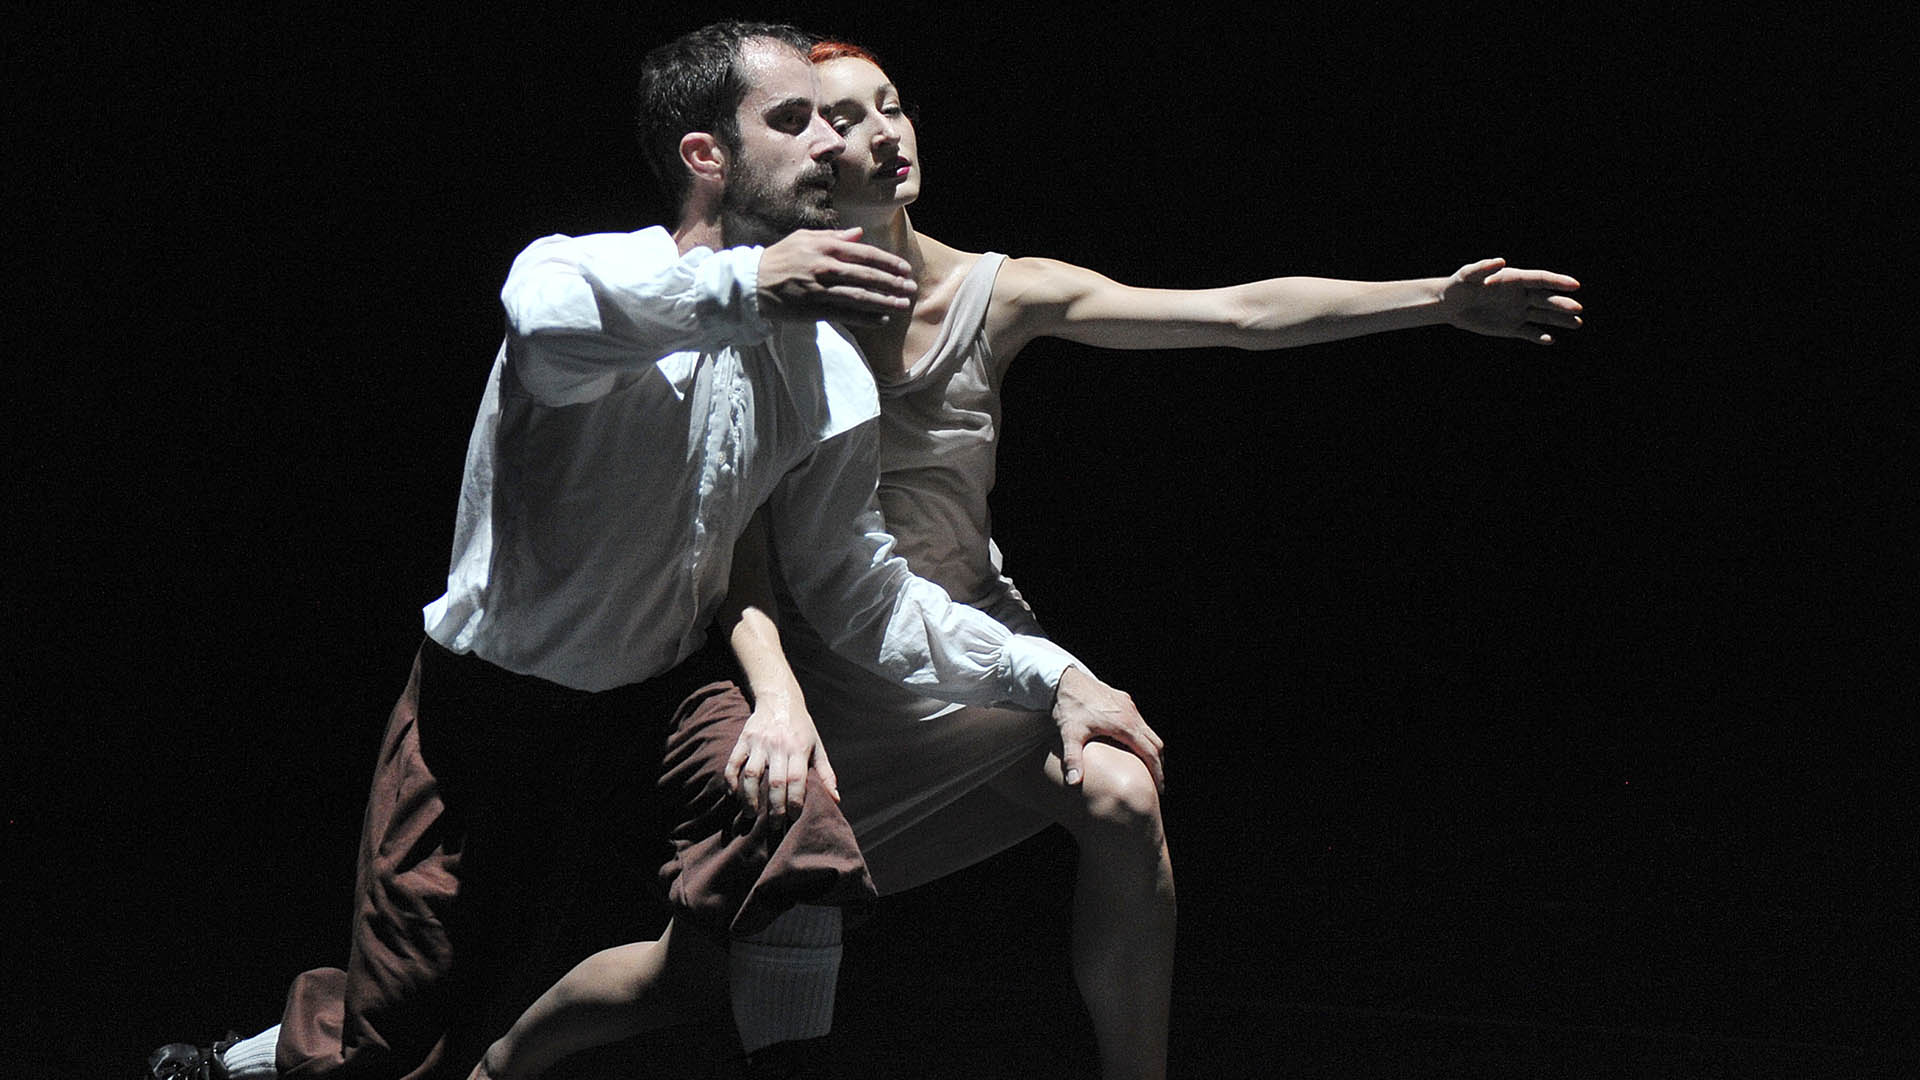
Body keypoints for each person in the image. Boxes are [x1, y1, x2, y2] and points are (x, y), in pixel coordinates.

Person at [463, 38, 1584, 1080]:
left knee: (1122, 795)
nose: (882, 134)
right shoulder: (772, 321)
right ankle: (497, 1063)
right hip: (834, 677)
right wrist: (776, 699)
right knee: (695, 972)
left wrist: (1435, 302)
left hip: (977, 639)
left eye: (892, 105)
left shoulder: (996, 293)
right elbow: (739, 556)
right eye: (840, 120)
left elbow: (1236, 313)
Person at [150, 22, 1164, 1080]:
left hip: (668, 701)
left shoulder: (825, 365)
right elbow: (547, 326)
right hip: (493, 706)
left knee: (795, 833)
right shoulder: (586, 273)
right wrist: (749, 289)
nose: (834, 142)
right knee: (405, 1030)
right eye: (794, 120)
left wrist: (1051, 674)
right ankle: (247, 1064)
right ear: (705, 154)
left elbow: (860, 590)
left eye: (835, 120)